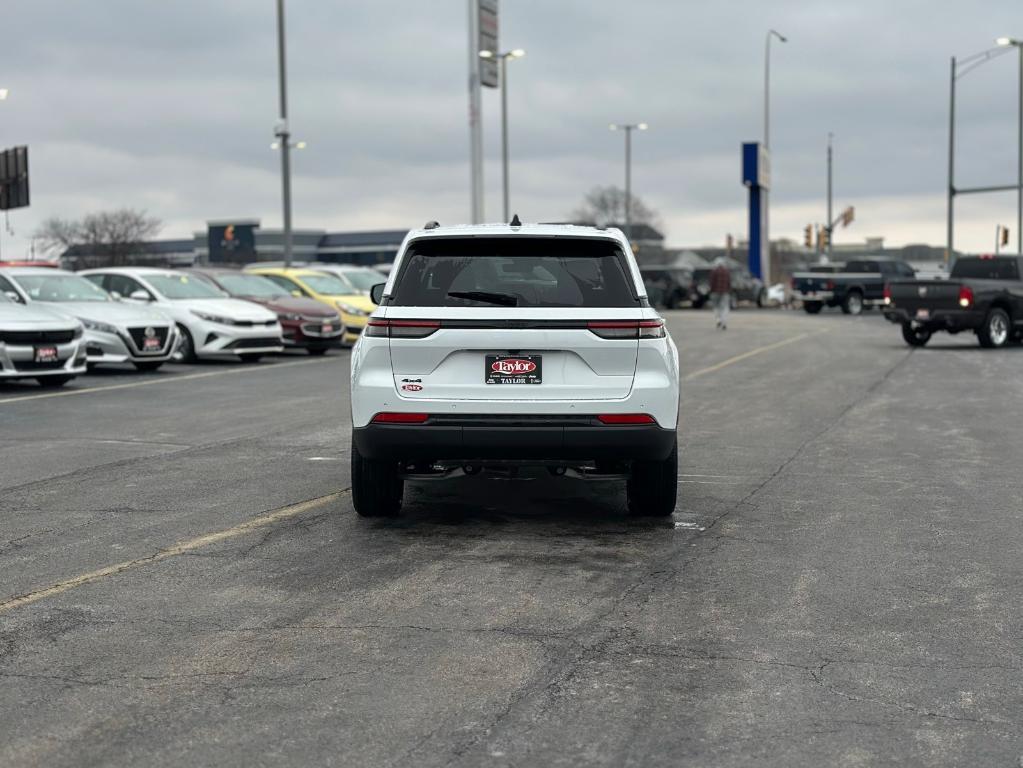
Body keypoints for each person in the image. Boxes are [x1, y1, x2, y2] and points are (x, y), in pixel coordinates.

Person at [709, 257, 732, 330]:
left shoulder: (714, 271)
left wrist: (711, 290)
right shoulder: (727, 272)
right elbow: (729, 282)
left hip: (715, 292)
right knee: (724, 307)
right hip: (725, 292)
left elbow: (712, 282)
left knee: (716, 307)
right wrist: (729, 290)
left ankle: (718, 320)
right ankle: (724, 322)